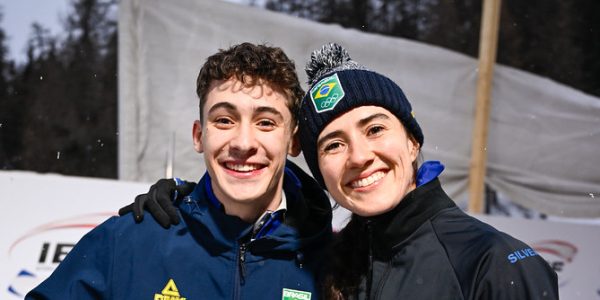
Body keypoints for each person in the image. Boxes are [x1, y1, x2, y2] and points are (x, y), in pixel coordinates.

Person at [126, 43, 559, 299]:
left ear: (412, 141)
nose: (358, 156)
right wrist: (194, 201)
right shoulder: (325, 262)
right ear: (321, 170)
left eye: (374, 129)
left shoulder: (494, 263)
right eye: (333, 145)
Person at [26, 43, 332, 300]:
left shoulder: (331, 263)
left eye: (265, 122)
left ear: (293, 141)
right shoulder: (126, 242)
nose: (243, 142)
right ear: (199, 136)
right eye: (224, 120)